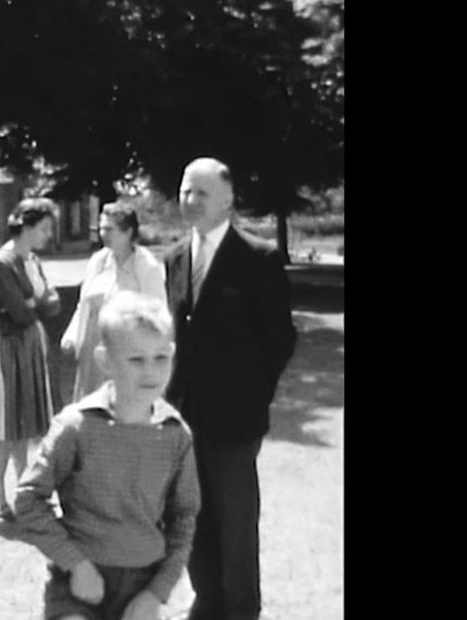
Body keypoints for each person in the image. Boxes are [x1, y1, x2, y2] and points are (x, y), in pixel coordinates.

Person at [164, 157, 297, 620]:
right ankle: (208, 596)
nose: (190, 201)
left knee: (236, 520)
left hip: (236, 419)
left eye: (201, 193)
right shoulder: (176, 257)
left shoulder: (258, 258)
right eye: (184, 192)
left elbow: (280, 339)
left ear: (227, 199)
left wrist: (253, 396)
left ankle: (240, 607)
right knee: (192, 514)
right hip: (184, 415)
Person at [14, 291, 201, 620]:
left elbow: (184, 519)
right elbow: (29, 500)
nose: (151, 372)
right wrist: (76, 565)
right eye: (136, 360)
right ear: (105, 361)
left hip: (143, 585)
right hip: (78, 584)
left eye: (161, 358)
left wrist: (157, 593)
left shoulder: (175, 435)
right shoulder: (76, 426)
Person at [0, 198, 62, 522]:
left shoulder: (32, 260)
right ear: (26, 226)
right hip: (8, 345)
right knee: (5, 422)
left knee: (26, 421)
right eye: (43, 228)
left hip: (30, 345)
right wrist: (36, 301)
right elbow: (22, 313)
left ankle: (25, 490)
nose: (47, 235)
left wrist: (34, 301)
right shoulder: (3, 263)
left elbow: (53, 305)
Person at [60, 201, 166, 402]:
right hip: (92, 351)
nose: (103, 234)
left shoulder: (146, 266)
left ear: (128, 232)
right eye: (101, 228)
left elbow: (157, 315)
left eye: (109, 229)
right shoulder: (98, 262)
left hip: (127, 350)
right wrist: (72, 336)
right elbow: (83, 305)